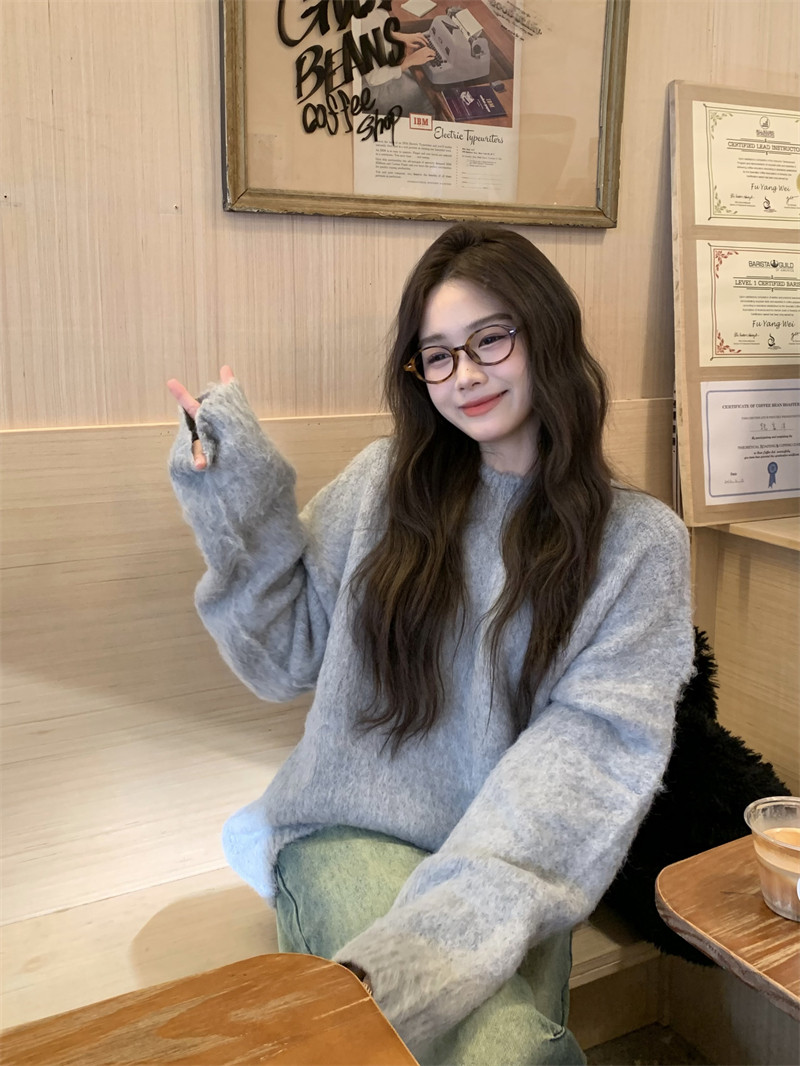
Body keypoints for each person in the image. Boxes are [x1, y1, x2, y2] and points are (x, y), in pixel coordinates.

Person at [167, 223, 694, 1066]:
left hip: (510, 859)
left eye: (491, 339)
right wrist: (239, 498)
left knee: (512, 1052)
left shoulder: (638, 545)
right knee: (505, 1054)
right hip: (349, 831)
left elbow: (588, 761)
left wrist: (454, 927)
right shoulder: (384, 486)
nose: (466, 375)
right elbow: (282, 660)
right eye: (438, 355)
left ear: (548, 334)